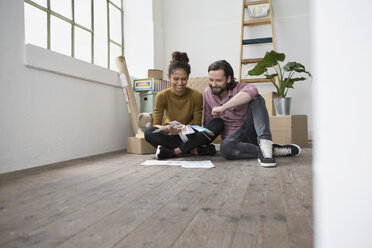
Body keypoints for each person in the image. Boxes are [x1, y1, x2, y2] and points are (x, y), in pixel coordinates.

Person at [203, 60, 300, 167]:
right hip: (234, 142)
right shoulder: (208, 92)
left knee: (257, 98)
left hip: (251, 132)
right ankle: (269, 151)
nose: (213, 84)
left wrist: (223, 107)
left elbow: (253, 90)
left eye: (218, 80)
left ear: (228, 78)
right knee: (225, 148)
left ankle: (265, 142)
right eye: (211, 80)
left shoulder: (240, 88)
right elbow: (208, 121)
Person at [145, 52, 224, 160]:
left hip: (191, 137)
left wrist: (184, 128)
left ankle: (174, 152)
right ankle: (195, 150)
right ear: (169, 77)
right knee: (149, 132)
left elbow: (197, 126)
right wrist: (167, 128)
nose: (180, 83)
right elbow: (156, 125)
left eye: (184, 79)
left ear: (188, 78)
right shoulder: (162, 96)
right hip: (171, 136)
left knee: (218, 123)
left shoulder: (196, 95)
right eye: (176, 79)